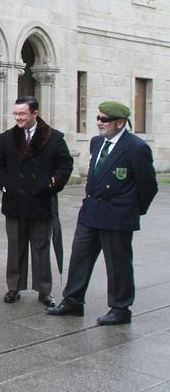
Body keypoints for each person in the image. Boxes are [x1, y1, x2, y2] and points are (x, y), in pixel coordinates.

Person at [48, 101, 157, 325]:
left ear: (120, 123)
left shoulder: (136, 147)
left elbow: (148, 186)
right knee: (80, 258)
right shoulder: (97, 142)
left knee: (118, 264)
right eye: (97, 118)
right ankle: (73, 301)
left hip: (118, 216)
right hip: (91, 212)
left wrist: (133, 210)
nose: (99, 123)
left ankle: (120, 308)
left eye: (104, 120)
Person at [0, 96, 73, 307]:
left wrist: (53, 182)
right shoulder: (8, 137)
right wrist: (6, 183)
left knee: (41, 246)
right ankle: (14, 287)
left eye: (22, 114)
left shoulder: (53, 138)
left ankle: (44, 290)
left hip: (40, 200)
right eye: (16, 114)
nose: (18, 117)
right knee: (15, 245)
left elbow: (65, 163)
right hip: (15, 201)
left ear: (34, 114)